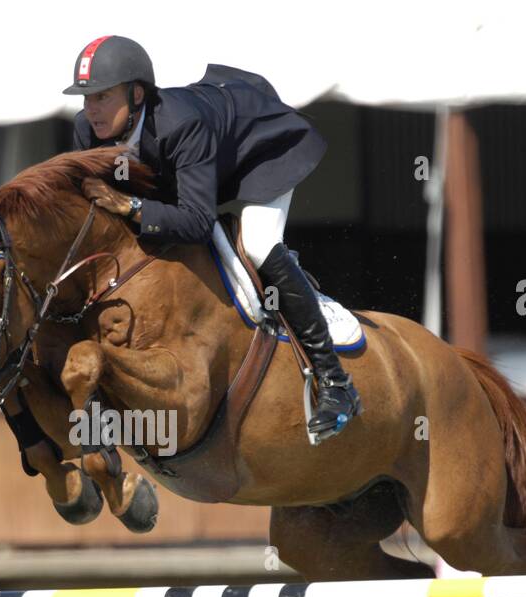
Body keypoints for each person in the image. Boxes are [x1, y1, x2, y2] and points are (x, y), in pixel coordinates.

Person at [62, 35, 361, 442]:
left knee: (257, 243)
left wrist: (131, 207)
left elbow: (198, 222)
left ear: (135, 94)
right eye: (86, 98)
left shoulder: (182, 125)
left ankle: (335, 383)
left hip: (260, 153)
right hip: (202, 169)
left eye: (101, 97)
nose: (91, 109)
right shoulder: (87, 130)